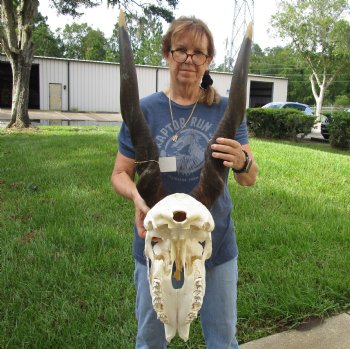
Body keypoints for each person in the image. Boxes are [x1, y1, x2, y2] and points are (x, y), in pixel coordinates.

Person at [111, 15, 258, 349]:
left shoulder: (224, 110)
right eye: (181, 50)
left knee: (222, 339)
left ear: (208, 61)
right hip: (156, 245)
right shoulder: (146, 109)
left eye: (198, 53)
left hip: (213, 244)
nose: (189, 59)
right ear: (167, 54)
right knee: (150, 339)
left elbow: (249, 178)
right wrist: (136, 196)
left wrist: (243, 161)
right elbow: (120, 173)